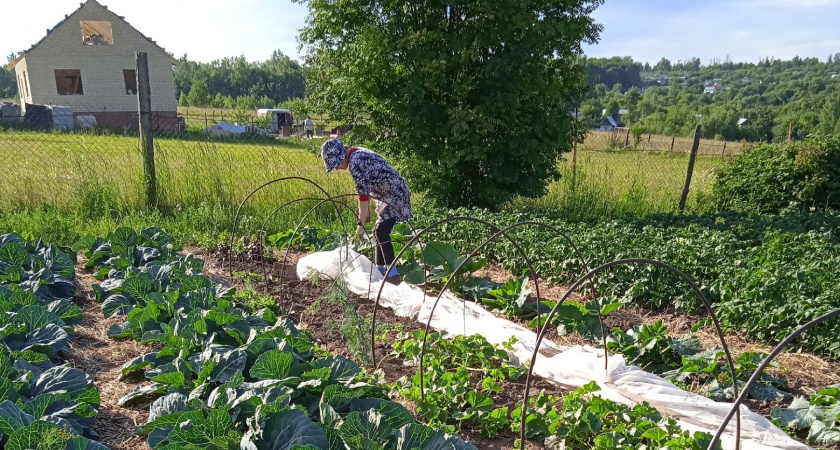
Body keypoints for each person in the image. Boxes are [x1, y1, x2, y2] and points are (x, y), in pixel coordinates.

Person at [321, 138, 411, 283]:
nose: (337, 168)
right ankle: (380, 271)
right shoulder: (357, 154)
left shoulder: (356, 162)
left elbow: (363, 198)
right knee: (378, 232)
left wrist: (360, 227)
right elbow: (365, 194)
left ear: (341, 156)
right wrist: (363, 219)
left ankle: (393, 276)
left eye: (336, 164)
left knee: (381, 232)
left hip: (394, 195)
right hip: (389, 194)